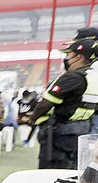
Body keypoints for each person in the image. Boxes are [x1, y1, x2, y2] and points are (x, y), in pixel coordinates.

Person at [25, 38, 98, 169]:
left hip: (61, 132)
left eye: (68, 54)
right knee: (72, 172)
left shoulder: (73, 77)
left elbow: (45, 104)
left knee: (52, 173)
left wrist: (32, 118)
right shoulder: (94, 77)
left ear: (78, 56)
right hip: (83, 130)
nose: (66, 58)